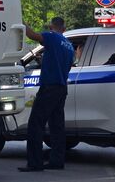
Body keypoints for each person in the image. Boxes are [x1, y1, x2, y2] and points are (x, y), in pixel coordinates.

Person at [18, 17, 75, 172]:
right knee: (57, 126)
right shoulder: (69, 46)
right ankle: (57, 161)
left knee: (35, 125)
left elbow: (32, 35)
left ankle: (35, 163)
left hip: (49, 88)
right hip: (61, 88)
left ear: (51, 27)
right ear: (64, 28)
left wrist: (21, 21)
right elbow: (66, 67)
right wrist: (45, 63)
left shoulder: (51, 37)